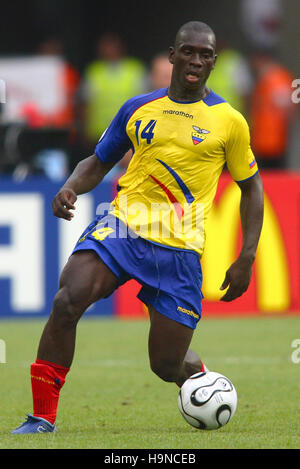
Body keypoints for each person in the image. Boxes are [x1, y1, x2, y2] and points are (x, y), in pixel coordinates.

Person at [12, 21, 264, 434]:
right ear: (172, 55)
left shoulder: (228, 121)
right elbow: (97, 162)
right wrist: (70, 187)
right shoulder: (137, 108)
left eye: (205, 55)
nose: (195, 60)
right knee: (67, 300)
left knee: (166, 365)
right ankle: (41, 418)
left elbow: (251, 189)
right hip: (122, 229)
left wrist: (247, 256)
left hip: (178, 249)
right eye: (188, 51)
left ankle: (199, 378)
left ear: (214, 62)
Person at [248, 49, 295, 169]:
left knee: (270, 176)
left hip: (272, 141)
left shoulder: (276, 78)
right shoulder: (268, 78)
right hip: (265, 140)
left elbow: (287, 108)